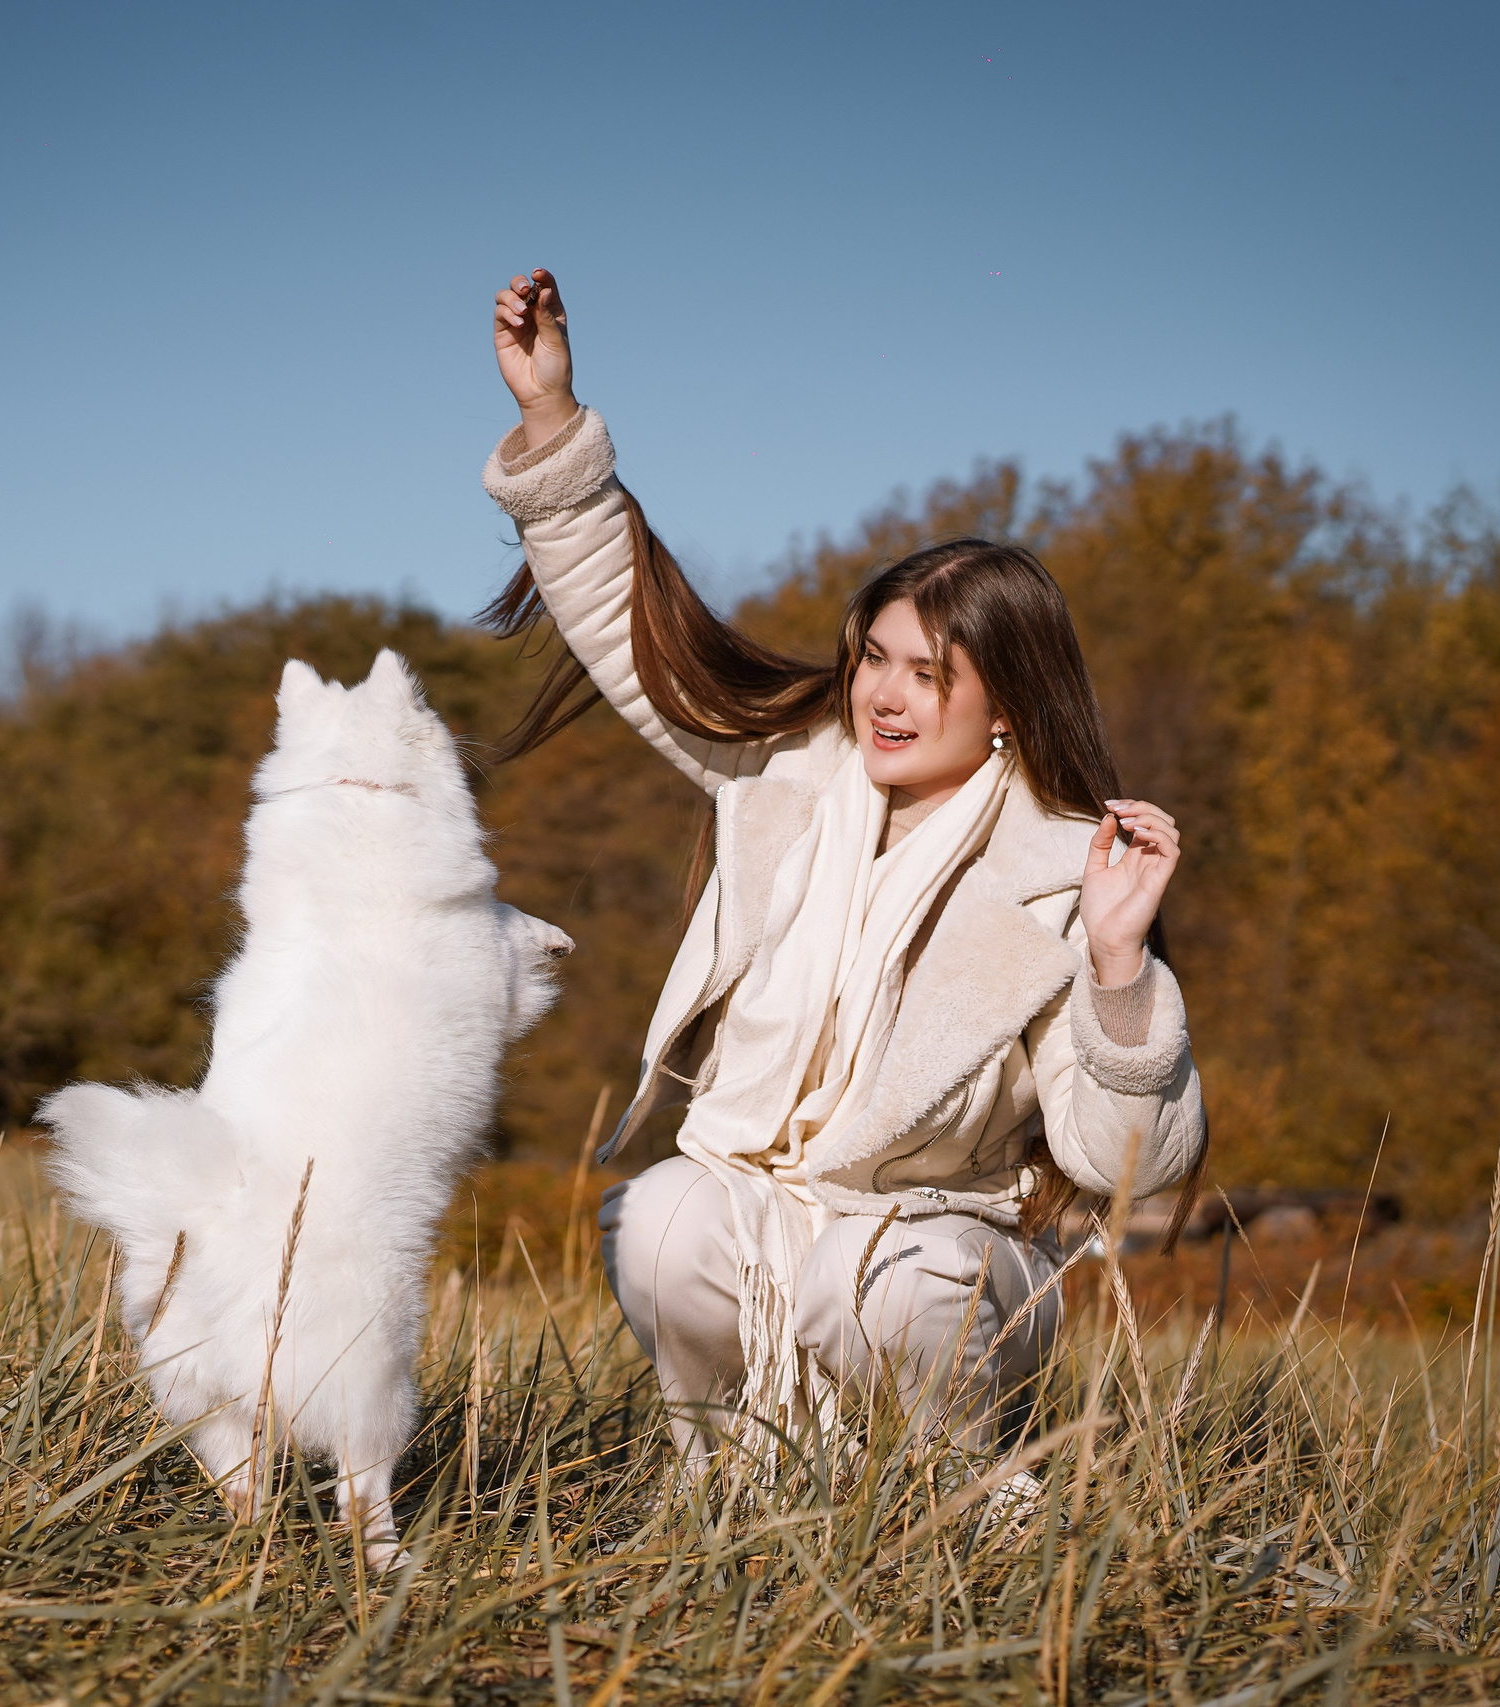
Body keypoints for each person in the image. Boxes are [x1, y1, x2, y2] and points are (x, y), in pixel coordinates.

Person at [479, 269, 1206, 1462]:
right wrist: (554, 421)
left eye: (930, 674)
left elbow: (1130, 1168)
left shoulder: (1065, 872)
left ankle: (957, 1497)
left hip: (945, 1254)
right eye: (876, 656)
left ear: (1007, 704)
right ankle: (729, 1478)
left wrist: (1121, 968)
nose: (884, 694)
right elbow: (631, 633)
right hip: (766, 1212)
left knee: (878, 1281)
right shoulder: (783, 775)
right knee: (658, 1219)